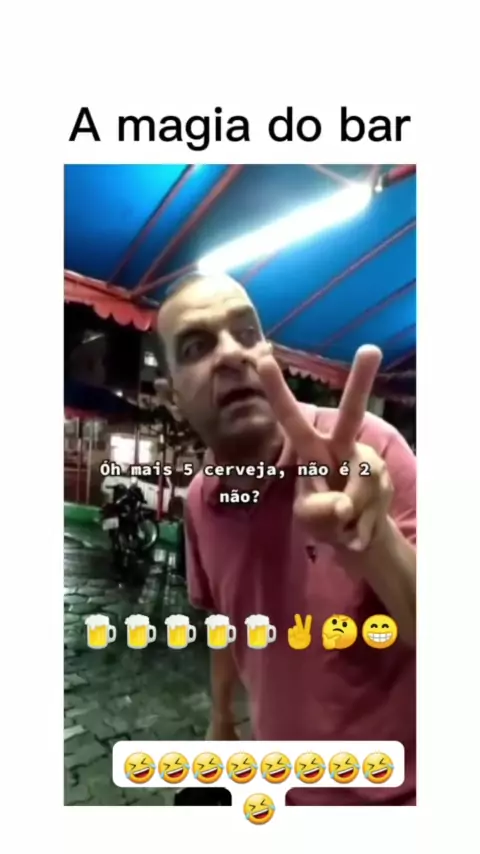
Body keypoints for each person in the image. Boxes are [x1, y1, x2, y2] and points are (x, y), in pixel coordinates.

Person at [155, 272, 416, 806]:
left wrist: (373, 542)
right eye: (197, 346)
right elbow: (226, 618)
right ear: (172, 396)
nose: (232, 354)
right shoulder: (201, 499)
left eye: (246, 333)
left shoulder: (368, 448)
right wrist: (221, 720)